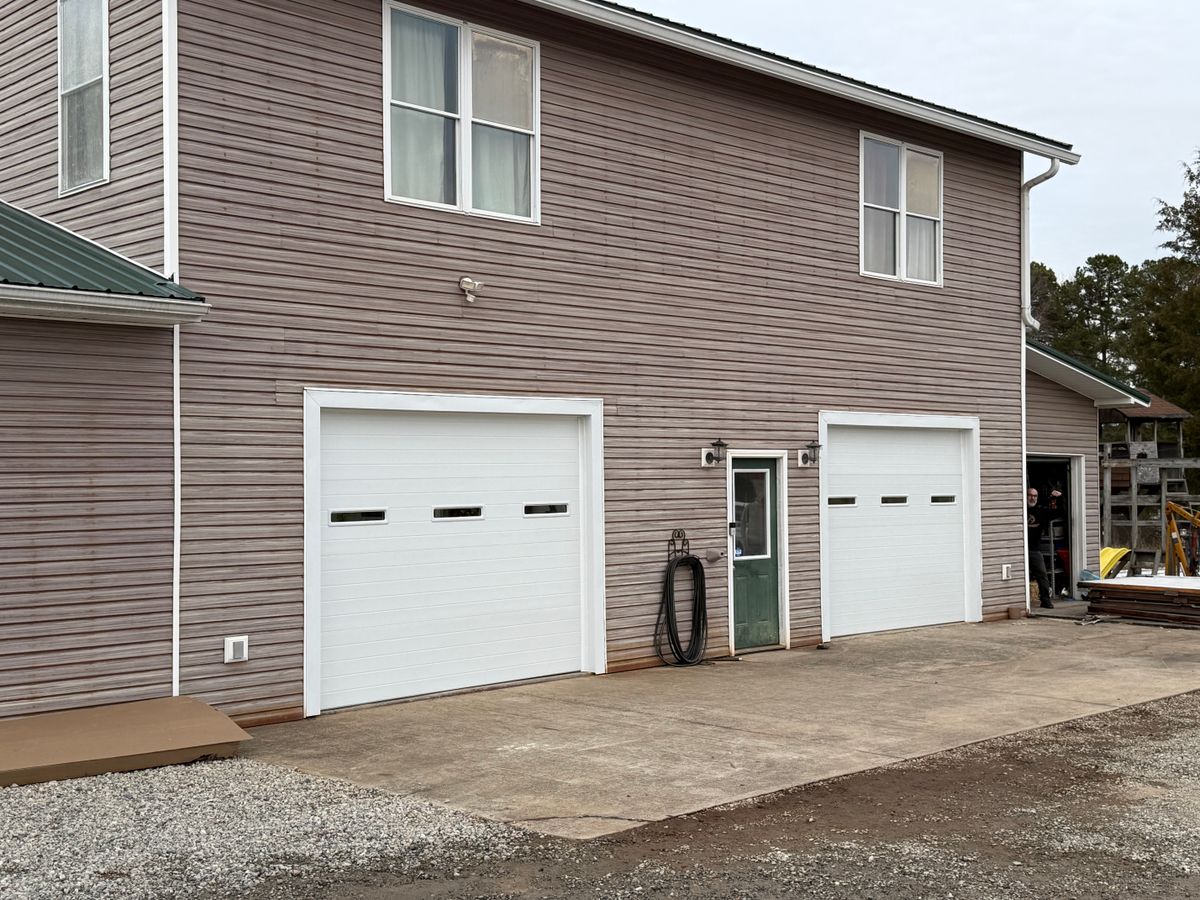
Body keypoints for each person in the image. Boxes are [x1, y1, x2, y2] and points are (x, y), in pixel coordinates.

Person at [1027, 486, 1062, 608]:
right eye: (1030, 495)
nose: (1032, 498)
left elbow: (1058, 512)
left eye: (1035, 496)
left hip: (1034, 550)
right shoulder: (1021, 509)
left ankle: (1046, 600)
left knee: (1042, 575)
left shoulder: (1041, 511)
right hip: (1020, 550)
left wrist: (1059, 498)